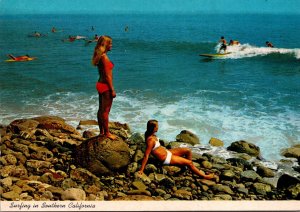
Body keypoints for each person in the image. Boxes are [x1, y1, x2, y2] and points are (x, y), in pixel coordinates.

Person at [139, 120, 217, 180]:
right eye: (157, 126)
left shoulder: (150, 134)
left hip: (167, 152)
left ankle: (189, 168)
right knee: (189, 162)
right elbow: (146, 155)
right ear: (153, 128)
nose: (158, 127)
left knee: (188, 150)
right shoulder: (150, 140)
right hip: (166, 158)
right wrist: (141, 170)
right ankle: (204, 176)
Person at [92, 35, 117, 140]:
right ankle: (107, 133)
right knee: (105, 111)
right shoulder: (105, 58)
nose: (111, 45)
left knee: (101, 110)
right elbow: (107, 76)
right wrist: (112, 90)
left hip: (100, 84)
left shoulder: (100, 56)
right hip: (106, 86)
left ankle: (102, 131)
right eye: (110, 43)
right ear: (105, 44)